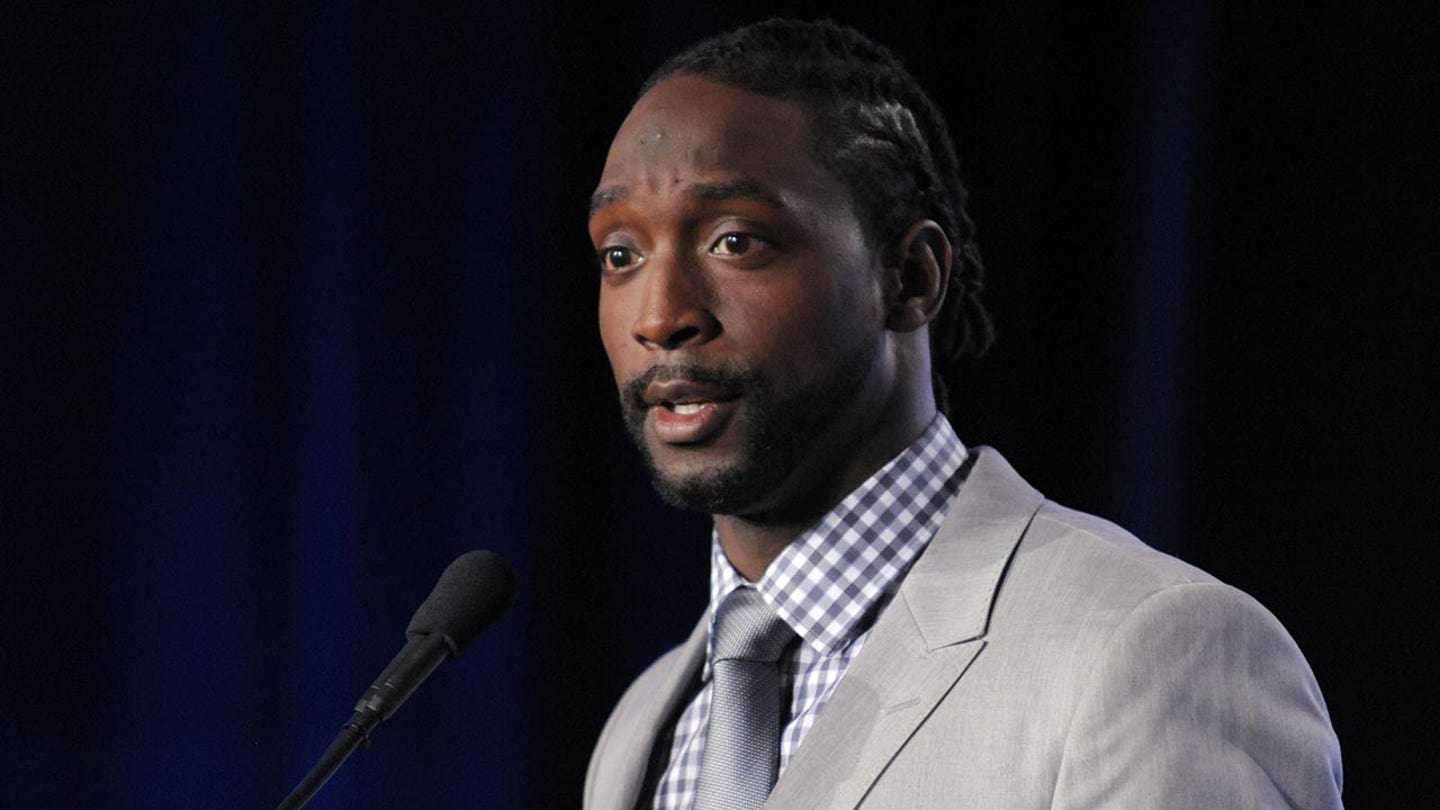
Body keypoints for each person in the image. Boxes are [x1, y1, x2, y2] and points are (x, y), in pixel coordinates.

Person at [583, 18, 1342, 810]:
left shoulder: (1151, 651)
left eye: (737, 241)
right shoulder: (645, 724)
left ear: (911, 277)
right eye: (620, 255)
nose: (660, 314)